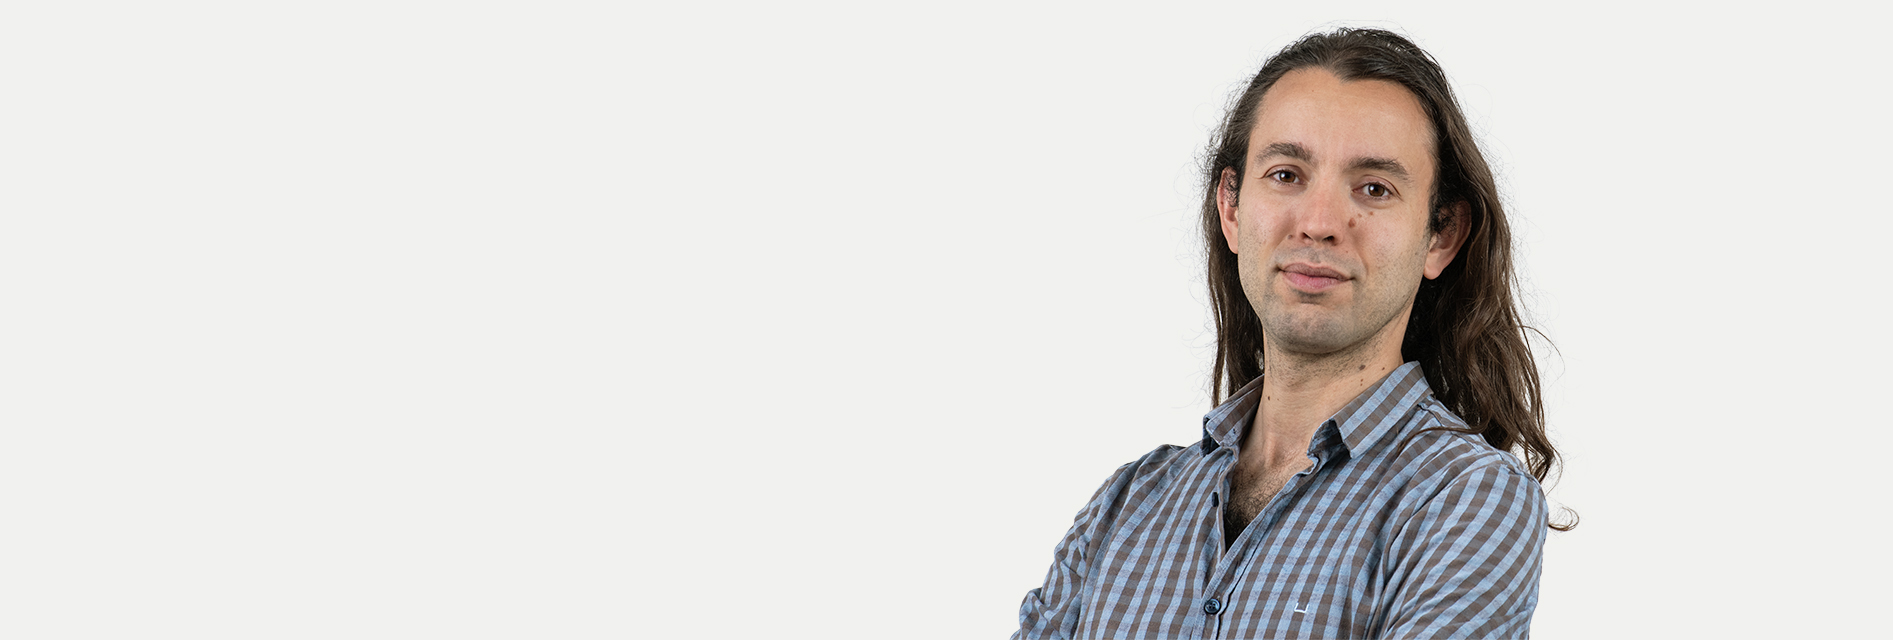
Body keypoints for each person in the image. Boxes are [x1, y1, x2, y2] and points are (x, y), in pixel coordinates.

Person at [1014, 28, 1570, 639]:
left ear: (1441, 236)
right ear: (1231, 209)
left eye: (1374, 188)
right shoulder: (1124, 507)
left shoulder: (1466, 498)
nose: (1319, 222)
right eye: (1286, 175)